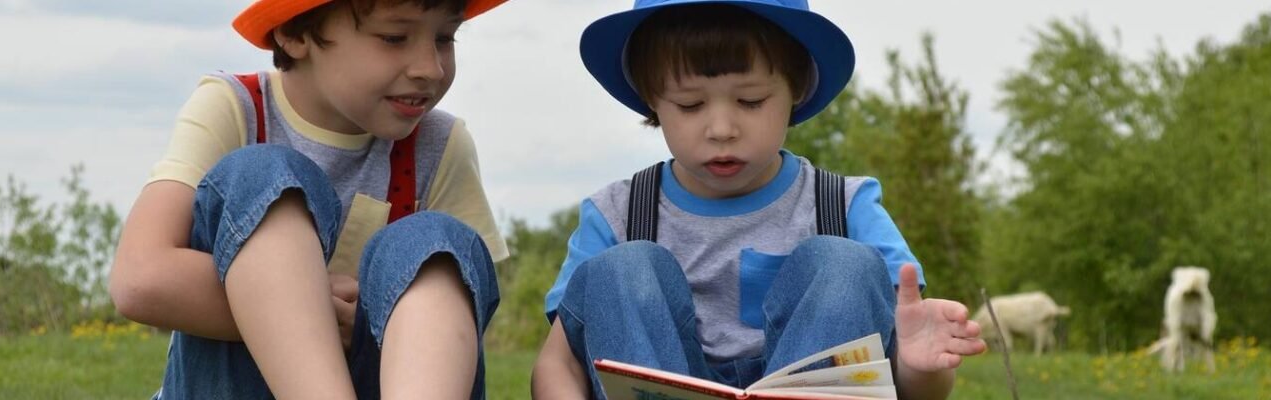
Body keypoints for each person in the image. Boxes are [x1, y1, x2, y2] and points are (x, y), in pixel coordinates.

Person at [531, 1, 986, 399]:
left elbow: (912, 390)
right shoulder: (616, 216)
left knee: (844, 263)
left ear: (797, 92)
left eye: (750, 101)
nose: (722, 128)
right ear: (653, 102)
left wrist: (917, 367)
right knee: (622, 268)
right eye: (690, 105)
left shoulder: (845, 206)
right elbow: (558, 363)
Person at [109, 0, 510, 398]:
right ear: (295, 32)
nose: (430, 67)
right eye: (393, 37)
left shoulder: (440, 145)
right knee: (263, 176)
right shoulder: (237, 108)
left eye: (444, 37)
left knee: (435, 244)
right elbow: (141, 278)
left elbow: (451, 321)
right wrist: (307, 306)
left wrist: (374, 323)